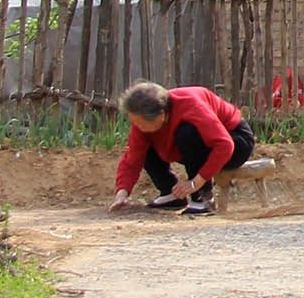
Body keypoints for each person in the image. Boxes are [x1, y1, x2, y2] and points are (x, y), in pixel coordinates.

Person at [108, 80, 255, 215]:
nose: (137, 127)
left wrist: (195, 183)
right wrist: (122, 194)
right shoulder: (143, 125)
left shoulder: (190, 105)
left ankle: (203, 198)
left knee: (187, 133)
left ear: (161, 114)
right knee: (144, 145)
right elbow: (133, 158)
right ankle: (170, 194)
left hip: (236, 141)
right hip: (205, 145)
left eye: (141, 124)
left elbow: (224, 145)